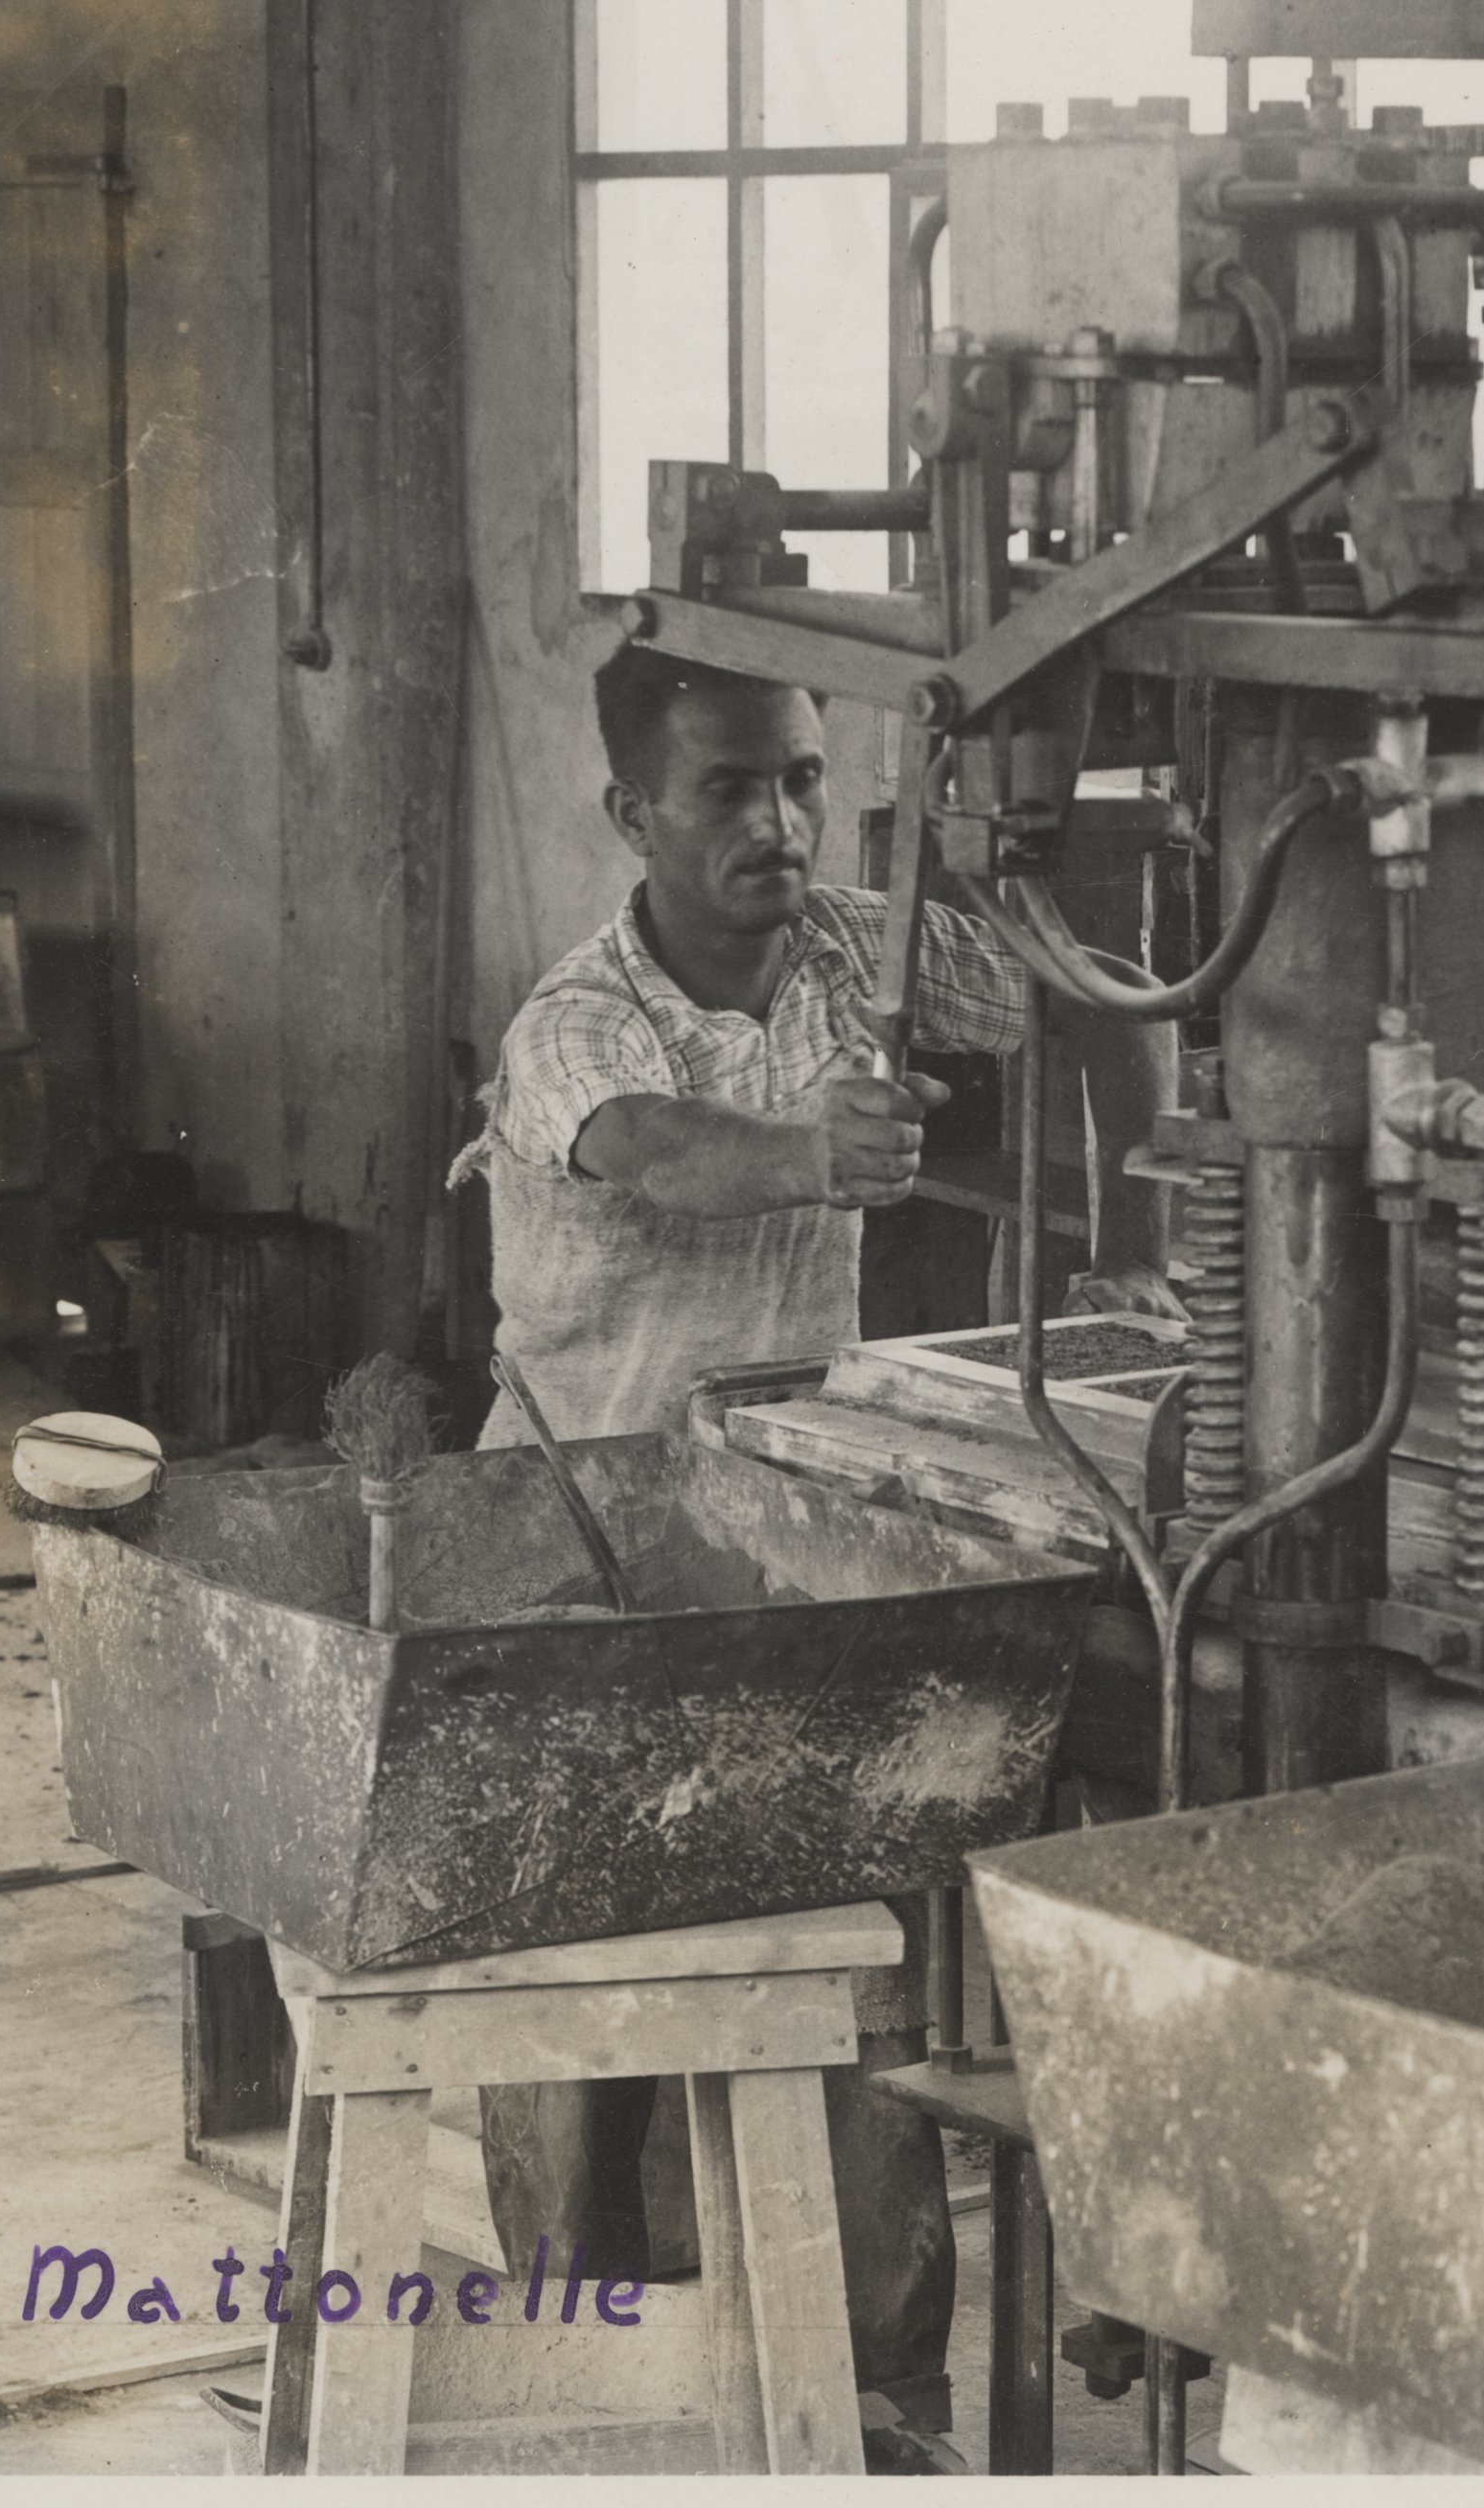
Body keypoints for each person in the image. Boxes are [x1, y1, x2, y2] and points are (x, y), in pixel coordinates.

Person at [450, 641, 1036, 2455]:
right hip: (576, 1544)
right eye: (726, 790)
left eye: (797, 778)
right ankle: (590, 2396)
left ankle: (872, 2407)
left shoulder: (859, 940)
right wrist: (811, 1144)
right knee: (582, 1995)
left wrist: (998, 841)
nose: (775, 823)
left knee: (858, 1973)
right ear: (633, 813)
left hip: (789, 1536)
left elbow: (1039, 994)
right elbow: (665, 1156)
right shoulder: (575, 1021)